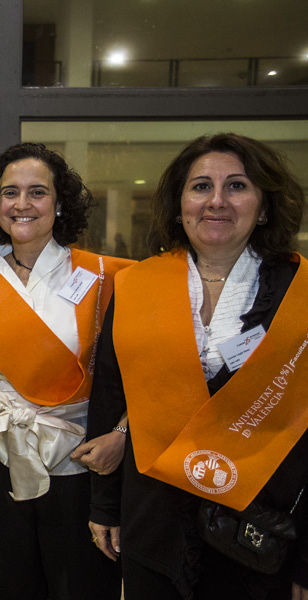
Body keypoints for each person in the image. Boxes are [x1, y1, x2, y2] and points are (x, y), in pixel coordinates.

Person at [87, 133, 308, 600]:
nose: (217, 201)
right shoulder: (137, 284)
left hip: (258, 526)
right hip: (154, 516)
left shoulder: (300, 292)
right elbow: (111, 396)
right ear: (179, 204)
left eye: (237, 186)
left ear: (264, 206)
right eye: (201, 186)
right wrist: (106, 506)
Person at [0, 142, 129, 600]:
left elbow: (140, 372)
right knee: (5, 584)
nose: (22, 204)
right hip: (0, 458)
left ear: (60, 204)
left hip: (80, 465)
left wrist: (122, 431)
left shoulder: (102, 278)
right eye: (10, 193)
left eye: (37, 192)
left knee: (79, 584)